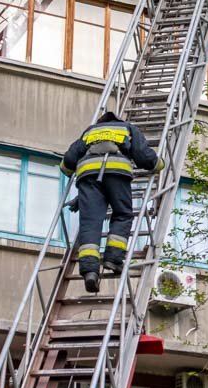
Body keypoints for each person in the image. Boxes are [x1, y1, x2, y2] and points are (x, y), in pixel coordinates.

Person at [61, 109, 162, 292]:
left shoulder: (90, 131)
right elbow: (142, 154)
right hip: (117, 172)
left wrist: (68, 170)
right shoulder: (127, 128)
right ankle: (113, 259)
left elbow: (68, 161)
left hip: (88, 176)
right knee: (122, 214)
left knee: (90, 222)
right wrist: (157, 164)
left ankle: (90, 271)